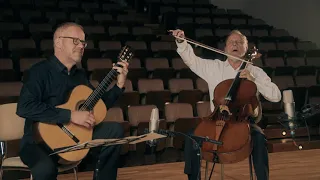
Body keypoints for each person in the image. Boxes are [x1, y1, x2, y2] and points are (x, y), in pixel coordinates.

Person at [16, 22, 129, 180]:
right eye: (75, 41)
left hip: (73, 138)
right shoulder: (38, 72)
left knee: (114, 131)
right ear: (58, 42)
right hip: (39, 143)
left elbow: (98, 107)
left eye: (83, 42)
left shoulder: (80, 75)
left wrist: (119, 85)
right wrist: (70, 115)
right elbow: (24, 107)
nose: (81, 46)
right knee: (45, 170)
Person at [169, 29, 281, 180]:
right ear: (225, 48)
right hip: (216, 121)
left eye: (240, 42)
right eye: (231, 42)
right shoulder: (214, 67)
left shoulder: (255, 71)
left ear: (246, 49)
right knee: (191, 137)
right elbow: (192, 60)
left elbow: (276, 96)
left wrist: (254, 80)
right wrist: (182, 42)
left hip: (242, 122)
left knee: (259, 137)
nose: (235, 44)